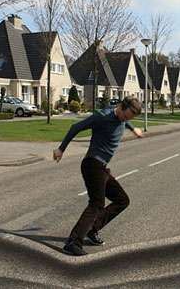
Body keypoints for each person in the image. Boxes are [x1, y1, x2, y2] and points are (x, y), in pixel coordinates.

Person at [54, 96, 143, 256]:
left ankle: (92, 229)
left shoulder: (121, 117)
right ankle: (73, 242)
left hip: (101, 167)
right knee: (96, 203)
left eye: (129, 119)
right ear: (122, 107)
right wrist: (61, 149)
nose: (125, 120)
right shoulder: (101, 117)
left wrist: (132, 128)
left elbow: (123, 120)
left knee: (122, 200)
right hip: (92, 165)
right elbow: (75, 127)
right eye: (126, 116)